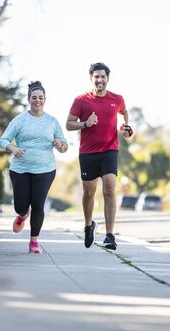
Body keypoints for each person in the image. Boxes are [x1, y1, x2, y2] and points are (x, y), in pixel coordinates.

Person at [66, 62, 133, 250]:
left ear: (108, 79)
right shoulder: (81, 100)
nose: (100, 80)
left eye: (103, 76)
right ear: (91, 79)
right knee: (89, 193)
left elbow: (124, 112)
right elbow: (69, 124)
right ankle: (88, 225)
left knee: (110, 188)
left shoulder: (117, 99)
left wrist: (126, 127)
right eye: (96, 76)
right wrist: (86, 123)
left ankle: (110, 235)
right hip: (88, 152)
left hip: (110, 150)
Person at [0, 81, 68, 254]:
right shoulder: (20, 120)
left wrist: (60, 144)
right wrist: (13, 148)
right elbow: (3, 140)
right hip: (20, 169)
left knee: (38, 204)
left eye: (40, 98)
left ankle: (34, 242)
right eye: (34, 97)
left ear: (45, 100)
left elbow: (64, 146)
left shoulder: (52, 121)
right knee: (21, 205)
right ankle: (22, 214)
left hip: (45, 169)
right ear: (29, 99)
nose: (37, 100)